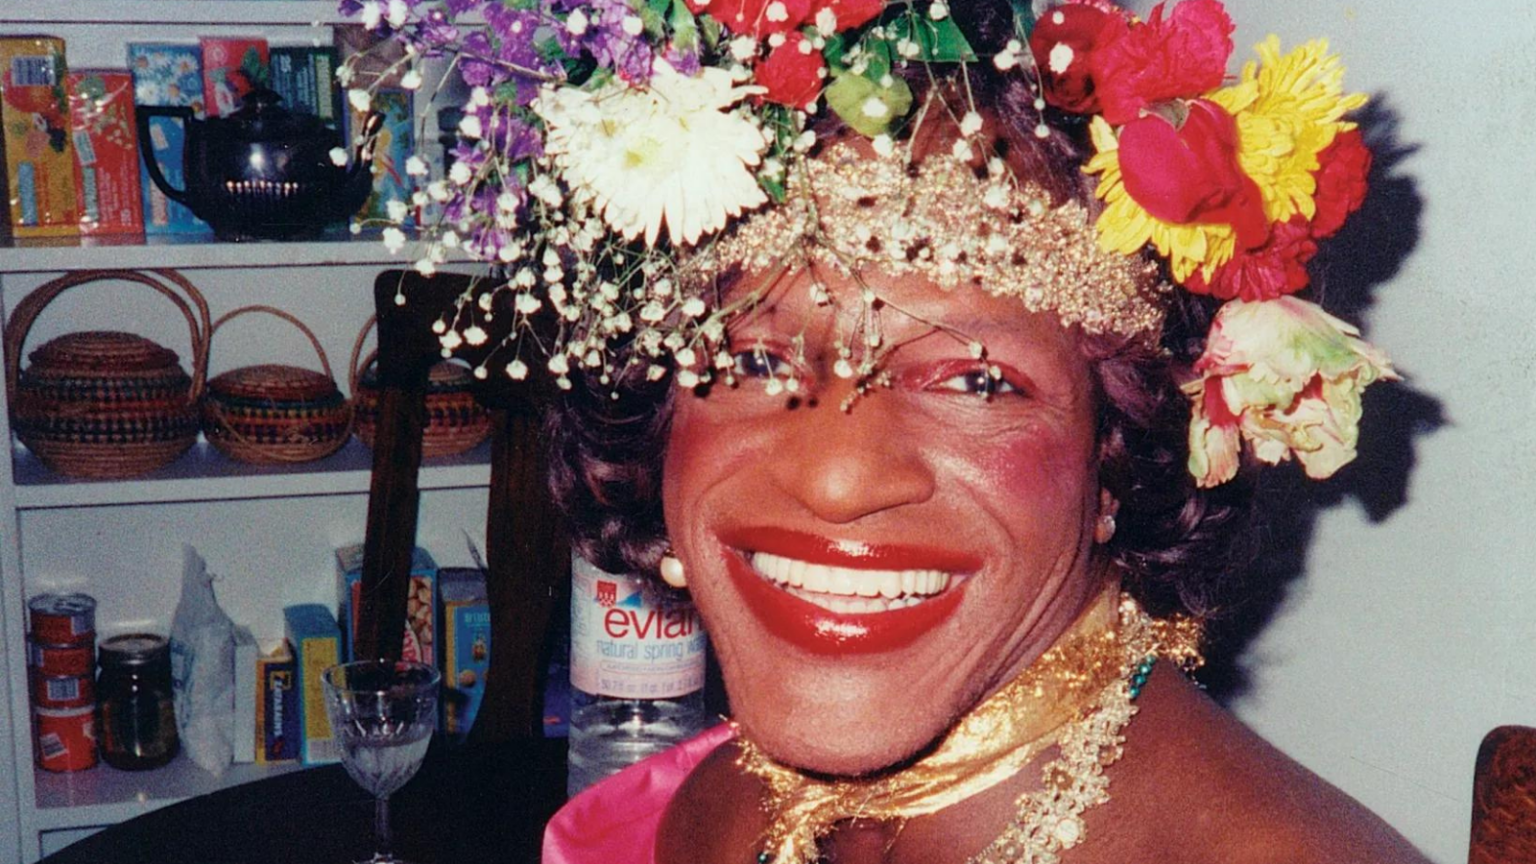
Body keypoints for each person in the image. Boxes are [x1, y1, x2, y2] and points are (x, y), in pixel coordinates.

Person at [340, 0, 1430, 858]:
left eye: (974, 381)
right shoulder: (695, 812)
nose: (838, 479)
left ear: (1118, 454)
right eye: (752, 360)